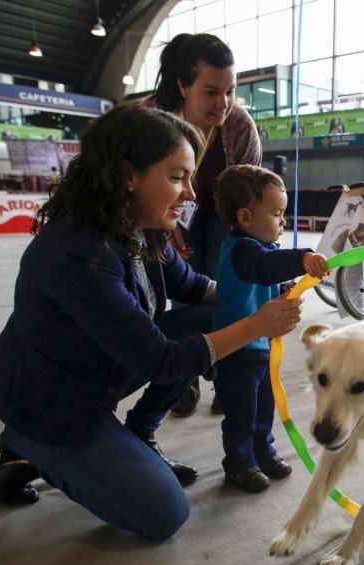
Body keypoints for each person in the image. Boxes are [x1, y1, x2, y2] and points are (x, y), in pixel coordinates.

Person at [0, 105, 303, 541]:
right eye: (176, 177)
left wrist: (251, 294)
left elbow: (195, 288)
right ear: (129, 176)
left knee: (209, 317)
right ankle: (28, 445)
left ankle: (136, 433)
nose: (190, 194)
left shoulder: (140, 229)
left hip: (96, 372)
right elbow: (160, 361)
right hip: (48, 400)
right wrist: (255, 325)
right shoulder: (78, 253)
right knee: (161, 513)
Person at [148, 33, 262, 418]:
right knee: (181, 287)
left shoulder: (239, 126)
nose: (223, 103)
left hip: (221, 212)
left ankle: (227, 374)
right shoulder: (153, 119)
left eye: (230, 91)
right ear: (183, 86)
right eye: (211, 92)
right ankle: (185, 375)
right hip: (162, 210)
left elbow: (250, 194)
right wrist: (164, 224)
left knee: (225, 285)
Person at [211, 165, 328, 492]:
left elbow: (265, 281)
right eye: (277, 214)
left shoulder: (258, 250)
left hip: (258, 347)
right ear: (246, 218)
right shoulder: (241, 251)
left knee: (264, 406)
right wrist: (302, 257)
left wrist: (285, 291)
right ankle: (238, 463)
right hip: (236, 350)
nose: (283, 222)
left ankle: (262, 452)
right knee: (241, 414)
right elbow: (262, 270)